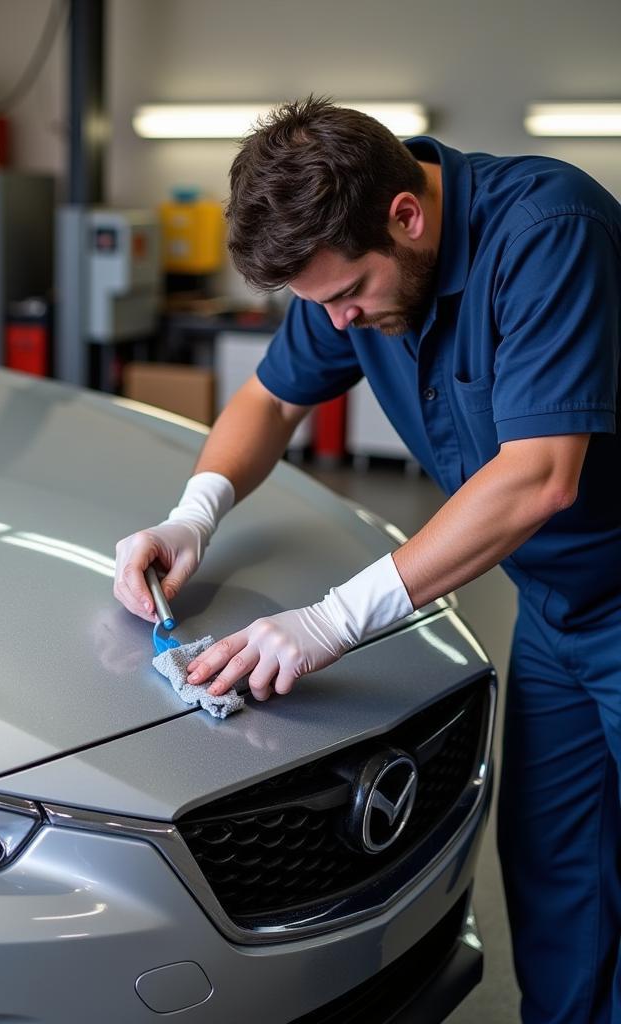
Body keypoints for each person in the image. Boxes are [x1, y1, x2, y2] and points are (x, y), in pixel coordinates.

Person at [113, 96, 621, 1024]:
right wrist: (194, 516)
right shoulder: (348, 263)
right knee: (558, 873)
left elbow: (541, 475)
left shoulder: (550, 232)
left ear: (407, 215)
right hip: (556, 606)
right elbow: (268, 402)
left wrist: (329, 622)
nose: (338, 325)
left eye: (347, 296)